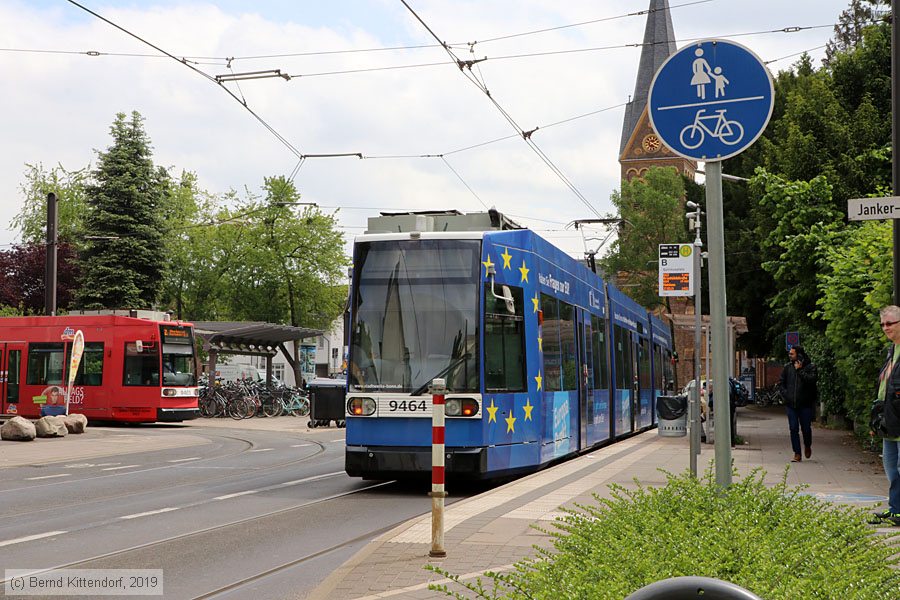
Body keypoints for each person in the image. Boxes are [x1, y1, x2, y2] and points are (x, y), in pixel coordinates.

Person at [870, 305, 900, 526]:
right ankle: (896, 509)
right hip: (889, 421)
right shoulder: (892, 350)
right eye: (882, 324)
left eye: (890, 323)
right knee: (891, 469)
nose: (885, 328)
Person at [778, 345, 818, 462]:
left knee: (806, 428)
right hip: (791, 404)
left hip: (805, 403)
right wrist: (786, 394)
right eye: (789, 353)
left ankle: (807, 445)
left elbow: (811, 381)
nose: (789, 355)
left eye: (792, 354)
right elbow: (781, 383)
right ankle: (797, 453)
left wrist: (800, 370)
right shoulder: (787, 368)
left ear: (799, 355)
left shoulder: (810, 367)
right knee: (793, 428)